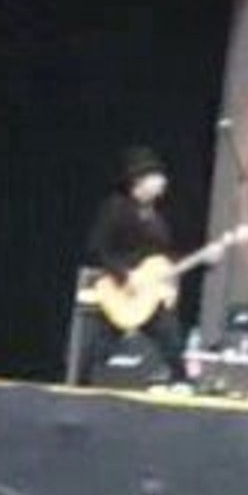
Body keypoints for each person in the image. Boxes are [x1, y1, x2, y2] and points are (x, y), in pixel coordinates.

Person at [80, 146, 187, 386]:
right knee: (102, 341)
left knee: (169, 334)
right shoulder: (116, 208)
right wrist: (124, 275)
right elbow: (98, 247)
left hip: (148, 293)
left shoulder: (157, 219)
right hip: (121, 289)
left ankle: (181, 380)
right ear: (139, 181)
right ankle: (81, 383)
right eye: (157, 177)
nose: (163, 182)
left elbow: (160, 258)